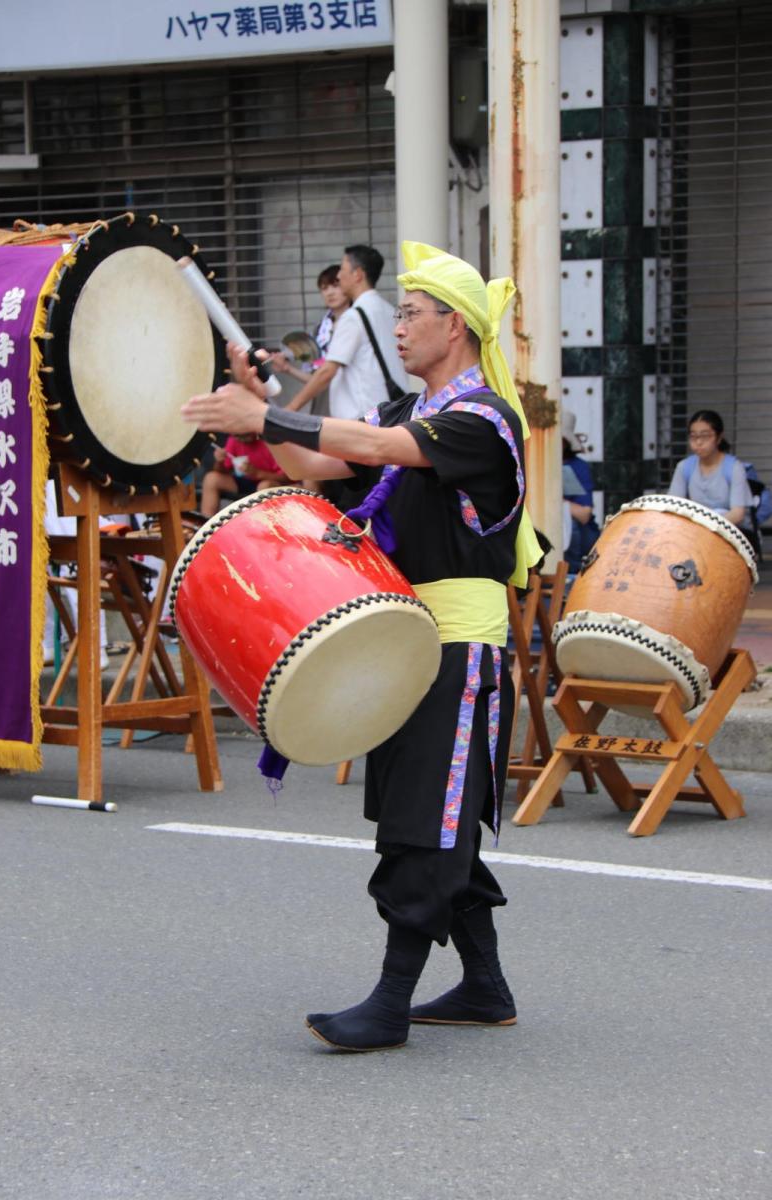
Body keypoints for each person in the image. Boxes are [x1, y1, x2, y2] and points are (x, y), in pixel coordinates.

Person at [181, 240, 542, 1054]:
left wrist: (266, 413)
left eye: (412, 314)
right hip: (409, 644)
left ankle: (389, 1001)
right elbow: (316, 459)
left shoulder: (481, 421)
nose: (399, 327)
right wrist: (260, 397)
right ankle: (484, 986)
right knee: (427, 820)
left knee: (428, 822)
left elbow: (380, 452)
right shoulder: (403, 416)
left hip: (460, 651)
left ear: (456, 328)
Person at [285, 244, 409, 420]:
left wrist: (290, 408)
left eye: (343, 269)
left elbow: (327, 371)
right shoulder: (389, 311)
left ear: (357, 274)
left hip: (364, 419)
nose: (338, 275)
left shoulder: (353, 317)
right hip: (392, 412)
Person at [271, 264, 350, 392]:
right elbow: (316, 378)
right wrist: (287, 368)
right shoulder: (320, 330)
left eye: (335, 286)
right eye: (324, 288)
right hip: (324, 403)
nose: (330, 293)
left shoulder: (357, 322)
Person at [668, 409, 750, 526]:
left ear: (719, 437)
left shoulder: (734, 468)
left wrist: (710, 526)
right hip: (695, 529)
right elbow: (672, 506)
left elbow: (737, 514)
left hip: (729, 530)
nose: (699, 442)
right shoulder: (684, 467)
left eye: (705, 436)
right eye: (693, 437)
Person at [199, 435, 288, 518]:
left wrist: (257, 473)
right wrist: (220, 461)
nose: (240, 437)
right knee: (211, 478)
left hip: (269, 484)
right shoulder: (234, 439)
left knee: (265, 486)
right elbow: (222, 471)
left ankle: (263, 525)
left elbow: (287, 478)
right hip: (244, 481)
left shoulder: (272, 442)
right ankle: (205, 525)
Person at [561, 410, 600, 573]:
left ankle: (571, 576)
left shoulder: (579, 467)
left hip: (579, 537)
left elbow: (584, 514)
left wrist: (558, 503)